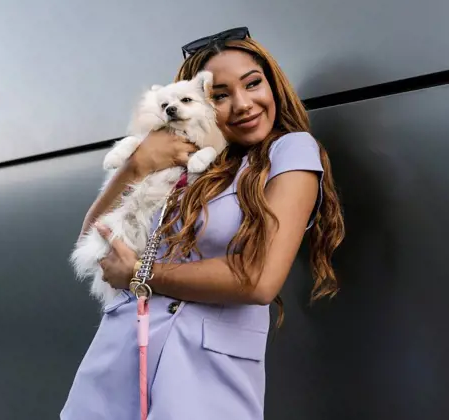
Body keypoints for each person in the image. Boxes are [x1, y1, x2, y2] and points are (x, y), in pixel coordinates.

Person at [60, 27, 345, 420]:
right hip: (118, 362)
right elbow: (93, 244)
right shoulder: (185, 162)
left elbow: (259, 278)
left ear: (273, 85)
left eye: (253, 84)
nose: (243, 104)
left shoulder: (291, 151)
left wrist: (142, 273)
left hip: (205, 380)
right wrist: (137, 165)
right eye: (221, 95)